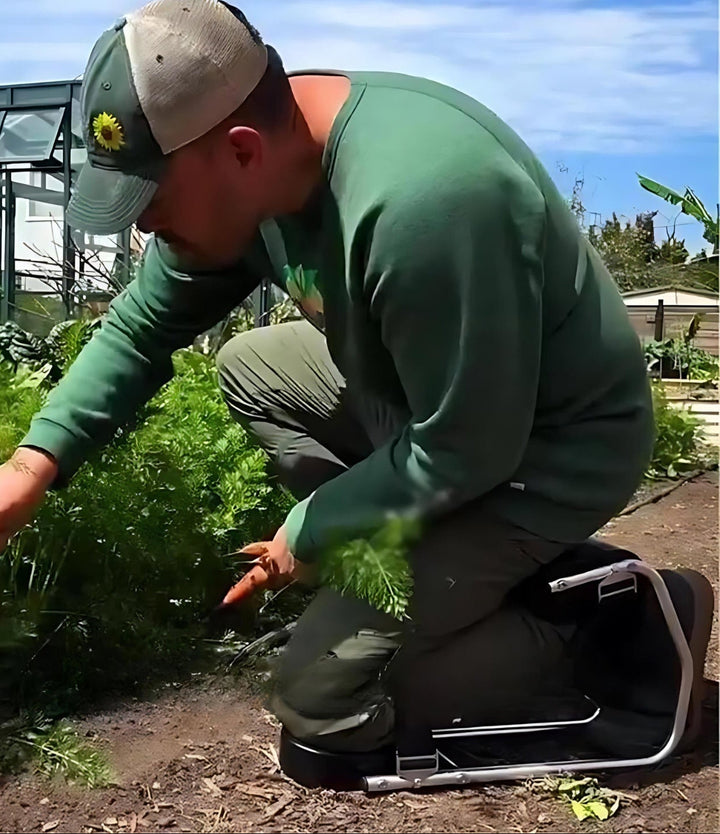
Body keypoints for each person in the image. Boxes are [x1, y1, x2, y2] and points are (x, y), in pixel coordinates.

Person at [0, 0, 712, 758]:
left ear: (240, 151)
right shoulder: (261, 158)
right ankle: (435, 579)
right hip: (438, 413)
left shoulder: (422, 201)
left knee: (320, 701)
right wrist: (27, 470)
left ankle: (612, 626)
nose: (144, 228)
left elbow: (470, 448)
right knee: (253, 367)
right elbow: (143, 325)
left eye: (153, 202)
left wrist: (310, 527)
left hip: (545, 454)